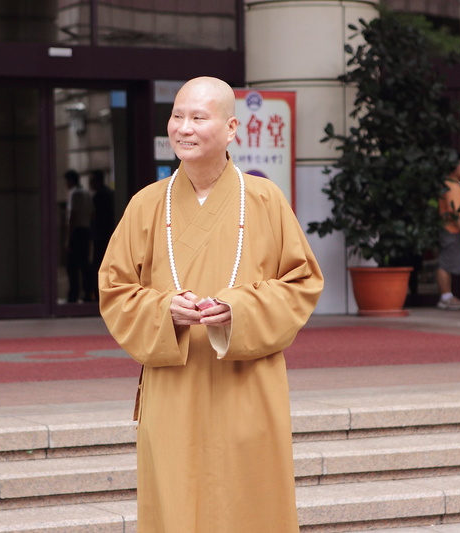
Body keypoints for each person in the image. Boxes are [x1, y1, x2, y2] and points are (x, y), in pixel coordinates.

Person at [98, 77, 323, 533]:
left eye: (199, 117)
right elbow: (115, 288)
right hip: (173, 386)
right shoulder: (146, 205)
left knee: (248, 500)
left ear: (231, 127)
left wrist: (240, 309)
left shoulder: (264, 199)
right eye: (178, 116)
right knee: (176, 499)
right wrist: (164, 311)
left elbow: (302, 282)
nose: (184, 127)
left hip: (247, 384)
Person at [437, 153, 460, 310]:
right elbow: (454, 211)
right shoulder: (450, 186)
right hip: (453, 231)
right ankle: (445, 297)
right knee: (446, 264)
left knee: (451, 263)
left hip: (455, 230)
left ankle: (449, 296)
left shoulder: (456, 185)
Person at [64, 169, 94, 303]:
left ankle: (73, 294)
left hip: (77, 232)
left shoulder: (74, 193)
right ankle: (88, 292)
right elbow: (92, 213)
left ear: (70, 181)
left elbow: (73, 216)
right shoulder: (87, 193)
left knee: (72, 265)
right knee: (84, 264)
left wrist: (68, 239)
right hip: (86, 231)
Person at [89, 169, 115, 280]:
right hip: (108, 232)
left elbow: (95, 216)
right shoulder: (109, 192)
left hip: (101, 234)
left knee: (99, 262)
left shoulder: (99, 195)